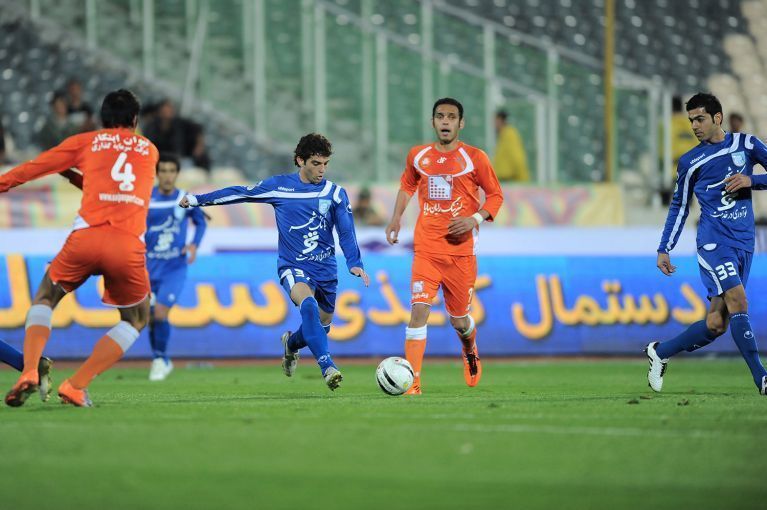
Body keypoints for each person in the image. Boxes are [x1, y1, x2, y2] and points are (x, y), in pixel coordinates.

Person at [1, 89, 159, 407]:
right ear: (134, 119)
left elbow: (32, 168)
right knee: (136, 318)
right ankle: (76, 385)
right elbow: (117, 188)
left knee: (46, 297)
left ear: (101, 118)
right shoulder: (149, 150)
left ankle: (29, 370)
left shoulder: (86, 141)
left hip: (85, 239)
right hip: (127, 245)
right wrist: (73, 175)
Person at [180, 133, 368, 390]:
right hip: (293, 266)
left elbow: (346, 231)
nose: (321, 170)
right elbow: (240, 193)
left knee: (320, 328)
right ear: (300, 160)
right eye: (316, 163)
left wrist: (354, 262)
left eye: (325, 164)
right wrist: (197, 200)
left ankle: (291, 343)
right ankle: (328, 367)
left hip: (326, 270)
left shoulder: (335, 193)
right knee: (308, 306)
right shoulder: (280, 187)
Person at [648, 92, 767, 396]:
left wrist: (751, 181)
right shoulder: (690, 161)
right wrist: (664, 247)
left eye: (699, 119)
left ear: (717, 118)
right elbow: (679, 205)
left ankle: (660, 352)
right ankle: (762, 378)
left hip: (744, 243)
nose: (694, 126)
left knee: (716, 323)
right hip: (714, 243)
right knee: (739, 300)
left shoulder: (747, 145)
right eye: (691, 120)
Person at [385, 98, 504, 395]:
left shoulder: (475, 157)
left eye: (451, 117)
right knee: (418, 311)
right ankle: (413, 383)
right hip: (426, 249)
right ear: (433, 122)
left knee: (459, 320)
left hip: (460, 252)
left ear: (461, 123)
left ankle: (470, 347)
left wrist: (474, 219)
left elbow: (495, 196)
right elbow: (407, 185)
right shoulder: (418, 155)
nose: (446, 121)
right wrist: (396, 218)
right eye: (440, 116)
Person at [145, 152, 207, 381]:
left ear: (177, 174)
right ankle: (160, 358)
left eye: (172, 171)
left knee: (161, 311)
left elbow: (200, 222)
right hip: (148, 265)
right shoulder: (146, 198)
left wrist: (194, 245)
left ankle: (160, 359)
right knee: (150, 316)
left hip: (174, 267)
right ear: (157, 174)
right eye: (163, 171)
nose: (167, 176)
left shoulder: (184, 198)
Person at [143, 100, 211, 172]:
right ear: (159, 112)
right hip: (159, 160)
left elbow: (197, 129)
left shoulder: (180, 123)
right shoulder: (152, 126)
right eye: (164, 111)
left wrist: (199, 146)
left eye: (169, 110)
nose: (167, 113)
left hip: (181, 159)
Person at [492, 110, 530, 182]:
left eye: (495, 121)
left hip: (510, 178)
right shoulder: (503, 134)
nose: (493, 124)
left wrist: (522, 178)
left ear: (500, 120)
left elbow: (516, 156)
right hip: (503, 177)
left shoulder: (509, 134)